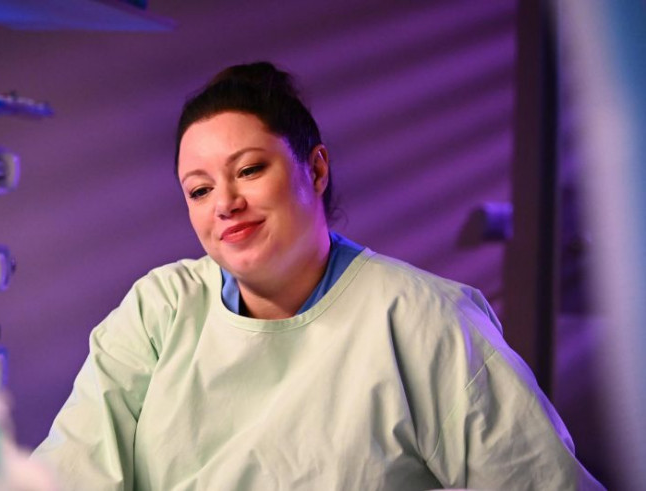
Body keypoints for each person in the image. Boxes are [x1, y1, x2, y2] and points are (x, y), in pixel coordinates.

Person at [33, 62, 603, 490]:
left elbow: (540, 479)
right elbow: (69, 471)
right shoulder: (157, 311)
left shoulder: (424, 319)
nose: (225, 204)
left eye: (249, 170)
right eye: (199, 190)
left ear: (316, 168)